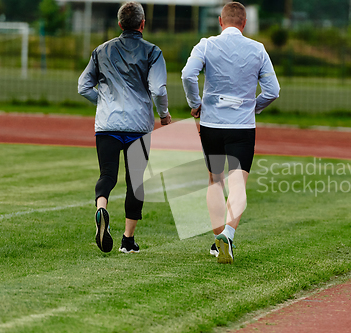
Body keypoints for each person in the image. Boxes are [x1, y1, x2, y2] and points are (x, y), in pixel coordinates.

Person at [181, 2, 280, 264]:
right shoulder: (257, 49)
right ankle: (228, 233)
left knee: (215, 180)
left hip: (212, 124)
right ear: (244, 23)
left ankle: (217, 242)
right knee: (238, 183)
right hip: (242, 127)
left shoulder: (206, 45)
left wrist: (195, 104)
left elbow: (188, 74)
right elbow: (273, 91)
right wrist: (252, 107)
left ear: (220, 20)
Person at [78, 1, 171, 254]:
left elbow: (83, 86)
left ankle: (101, 208)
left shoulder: (101, 50)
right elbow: (158, 89)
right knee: (135, 182)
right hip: (138, 126)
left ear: (119, 24)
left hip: (107, 123)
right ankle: (127, 241)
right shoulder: (152, 52)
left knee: (107, 175)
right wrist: (164, 115)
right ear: (142, 23)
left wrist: (104, 102)